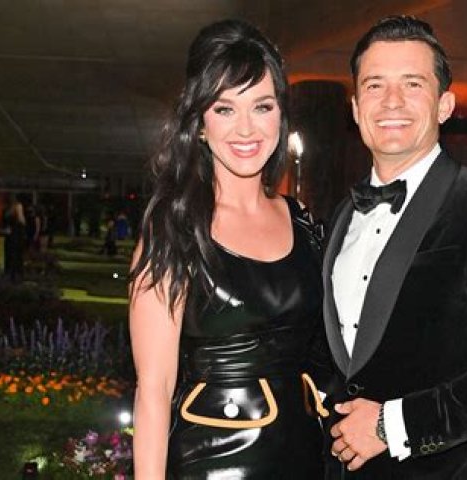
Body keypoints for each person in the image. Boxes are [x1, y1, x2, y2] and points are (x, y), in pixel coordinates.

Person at [322, 16, 467, 479]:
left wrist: (392, 426)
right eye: (374, 85)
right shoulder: (342, 215)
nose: (391, 101)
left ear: (444, 105)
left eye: (412, 84)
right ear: (355, 107)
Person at [128, 20, 330, 479]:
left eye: (262, 106)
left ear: (280, 115)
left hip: (303, 457)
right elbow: (154, 391)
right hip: (212, 464)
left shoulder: (302, 220)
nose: (246, 128)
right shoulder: (173, 230)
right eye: (224, 108)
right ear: (199, 124)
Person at [3, 193, 26, 283]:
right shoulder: (18, 206)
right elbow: (21, 219)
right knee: (17, 253)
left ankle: (9, 271)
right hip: (17, 233)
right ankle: (17, 273)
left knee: (9, 253)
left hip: (9, 234)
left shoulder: (7, 210)